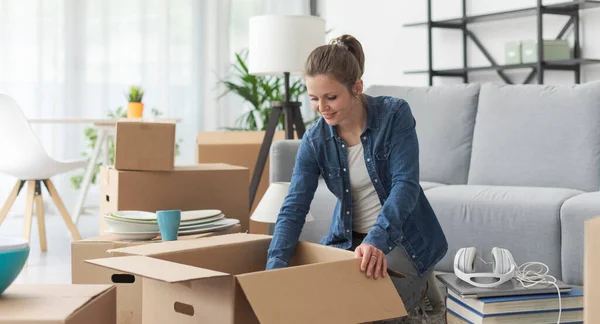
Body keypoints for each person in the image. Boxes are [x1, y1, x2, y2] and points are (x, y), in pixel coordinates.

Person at [265, 34, 448, 323]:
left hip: (402, 239)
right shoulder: (315, 139)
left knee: (370, 311)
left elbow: (405, 185)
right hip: (348, 241)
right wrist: (274, 268)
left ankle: (423, 287)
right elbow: (294, 206)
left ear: (356, 87)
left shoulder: (394, 114)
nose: (322, 107)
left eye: (331, 97)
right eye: (314, 98)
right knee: (322, 308)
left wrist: (377, 240)